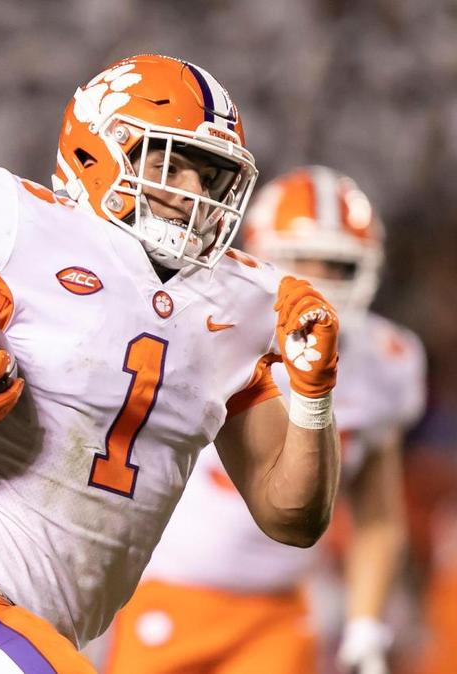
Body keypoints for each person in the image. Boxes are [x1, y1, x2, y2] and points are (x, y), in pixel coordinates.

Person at [0, 53, 343, 673]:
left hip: (45, 633)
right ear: (94, 154)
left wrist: (313, 394)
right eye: (169, 163)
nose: (192, 192)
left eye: (209, 176)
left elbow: (290, 517)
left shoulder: (242, 303)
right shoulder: (25, 232)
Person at [105, 167, 425, 674]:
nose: (318, 279)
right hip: (165, 587)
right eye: (300, 260)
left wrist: (365, 626)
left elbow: (378, 516)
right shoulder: (213, 328)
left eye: (337, 264)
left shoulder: (386, 362)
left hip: (278, 608)